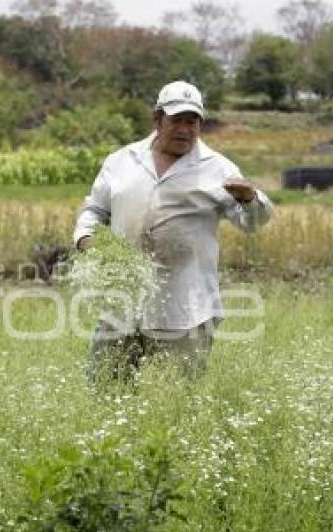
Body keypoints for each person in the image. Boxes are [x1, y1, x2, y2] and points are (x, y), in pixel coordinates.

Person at [73, 80, 273, 378]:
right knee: (104, 388)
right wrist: (86, 239)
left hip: (186, 307)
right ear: (157, 119)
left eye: (192, 122)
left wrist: (250, 198)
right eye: (176, 120)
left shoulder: (218, 169)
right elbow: (95, 210)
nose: (185, 129)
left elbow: (252, 224)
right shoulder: (121, 161)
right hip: (123, 302)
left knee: (177, 401)